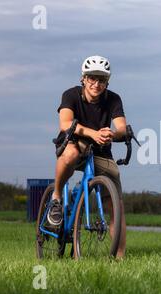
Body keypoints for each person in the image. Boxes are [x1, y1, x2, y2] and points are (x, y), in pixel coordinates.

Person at [48, 55, 127, 258]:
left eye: (101, 80)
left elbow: (122, 128)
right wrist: (92, 133)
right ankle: (56, 196)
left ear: (107, 82)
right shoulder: (71, 95)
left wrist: (113, 134)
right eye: (92, 78)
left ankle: (120, 259)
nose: (96, 84)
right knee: (72, 154)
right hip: (73, 142)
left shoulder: (114, 99)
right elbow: (65, 124)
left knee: (115, 205)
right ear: (83, 78)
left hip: (100, 150)